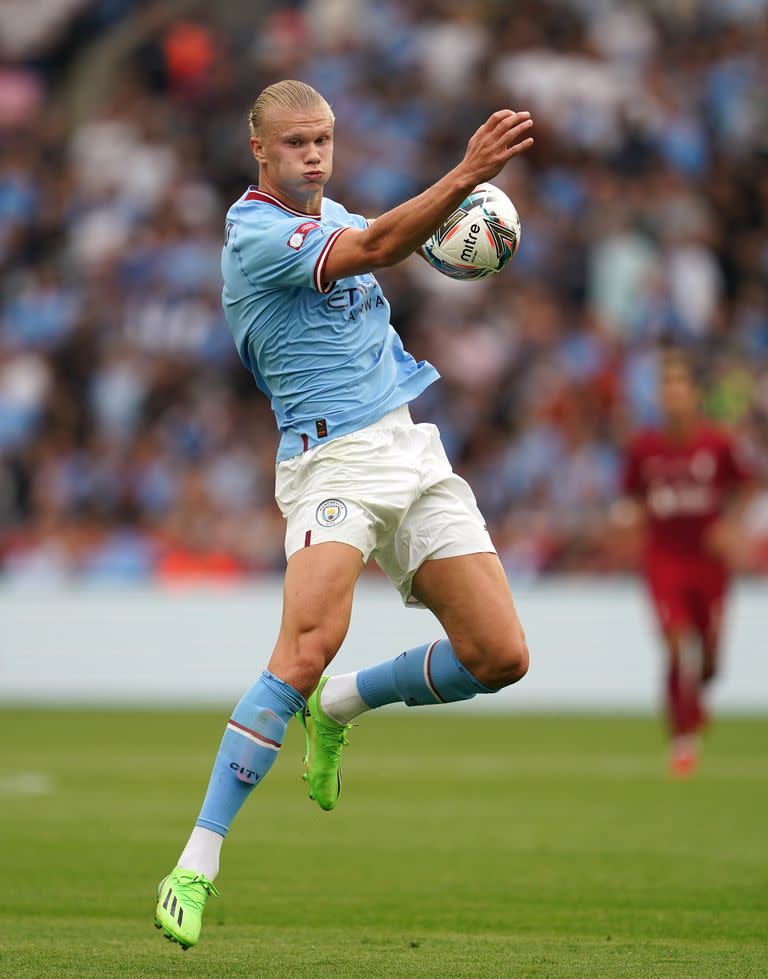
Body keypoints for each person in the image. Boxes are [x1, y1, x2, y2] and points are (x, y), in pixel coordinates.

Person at [153, 79, 535, 950]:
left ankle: (345, 707)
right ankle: (196, 860)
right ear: (260, 150)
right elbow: (370, 247)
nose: (315, 154)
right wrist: (465, 174)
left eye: (323, 138)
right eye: (296, 142)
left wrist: (448, 230)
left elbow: (383, 239)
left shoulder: (337, 215)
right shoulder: (255, 235)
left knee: (500, 656)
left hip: (408, 444)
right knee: (302, 649)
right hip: (332, 461)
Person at [617, 349, 754, 778]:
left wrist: (730, 526)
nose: (672, 395)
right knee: (676, 643)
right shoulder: (645, 447)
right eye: (666, 387)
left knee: (709, 656)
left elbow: (747, 485)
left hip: (709, 562)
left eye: (680, 387)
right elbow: (632, 497)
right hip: (665, 559)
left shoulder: (719, 442)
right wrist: (628, 526)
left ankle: (700, 691)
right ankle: (683, 738)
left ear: (695, 394)